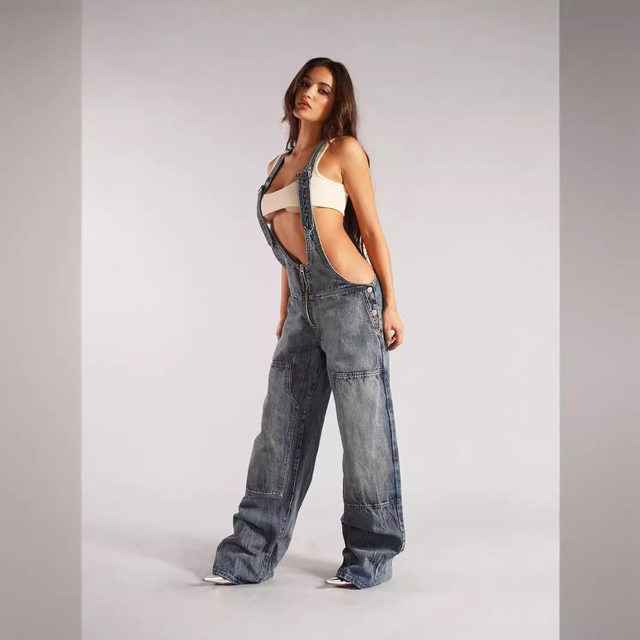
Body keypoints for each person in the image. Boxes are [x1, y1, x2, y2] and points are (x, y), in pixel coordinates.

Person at [202, 57, 406, 589]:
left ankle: (370, 557)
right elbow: (290, 247)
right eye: (306, 84)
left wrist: (390, 303)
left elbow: (373, 232)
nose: (310, 94)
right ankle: (249, 553)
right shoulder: (277, 164)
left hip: (351, 300)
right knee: (280, 430)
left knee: (362, 430)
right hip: (301, 307)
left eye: (323, 89)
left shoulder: (344, 152)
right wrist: (286, 307)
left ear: (337, 102)